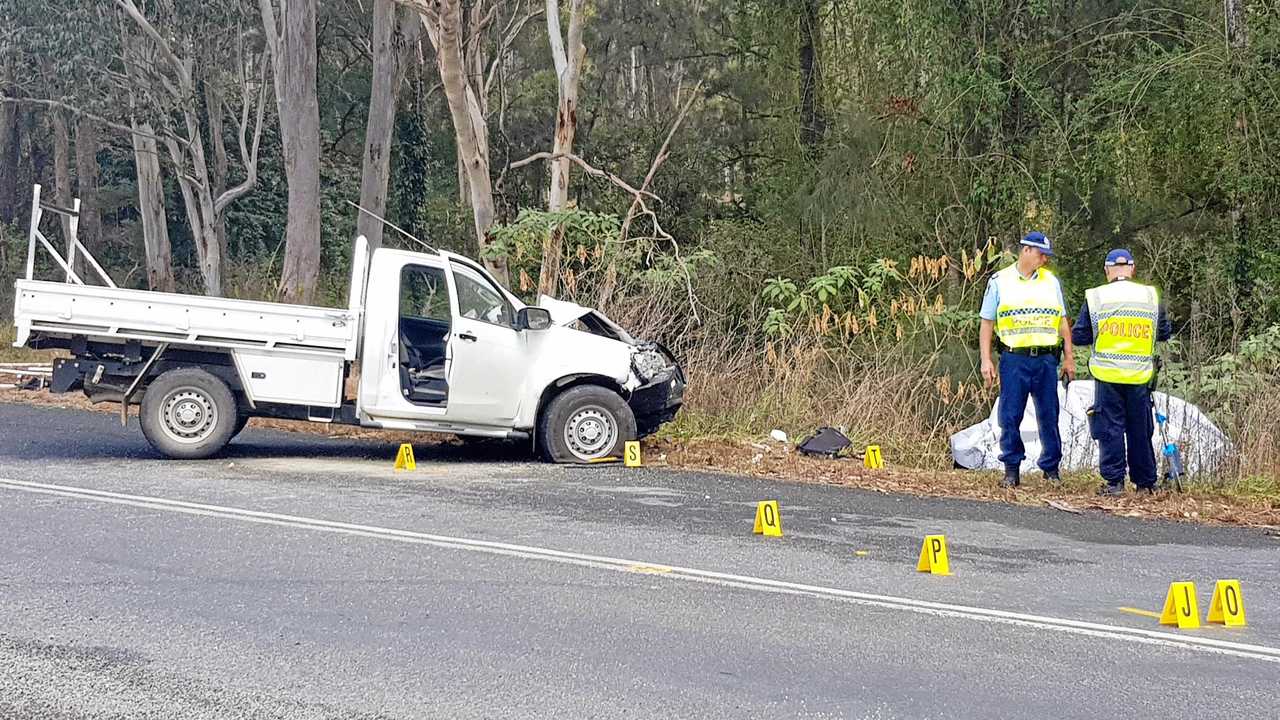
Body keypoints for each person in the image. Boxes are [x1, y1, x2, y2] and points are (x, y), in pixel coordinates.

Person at [1071, 249, 1172, 495]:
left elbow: (1079, 335)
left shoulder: (1096, 297)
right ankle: (1145, 483)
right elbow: (1165, 332)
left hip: (1108, 375)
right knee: (1140, 430)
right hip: (1139, 376)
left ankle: (1114, 483)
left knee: (1110, 430)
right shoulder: (1149, 296)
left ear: (1107, 270)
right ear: (1132, 269)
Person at [979, 232, 1076, 488]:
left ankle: (1051, 469)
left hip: (1045, 359)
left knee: (1049, 414)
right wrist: (985, 359)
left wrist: (1069, 357)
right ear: (1027, 251)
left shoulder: (1050, 282)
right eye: (1041, 254)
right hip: (1014, 358)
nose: (1044, 260)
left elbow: (1062, 321)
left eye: (1046, 256)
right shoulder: (1000, 281)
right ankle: (1012, 469)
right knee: (1010, 415)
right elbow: (987, 323)